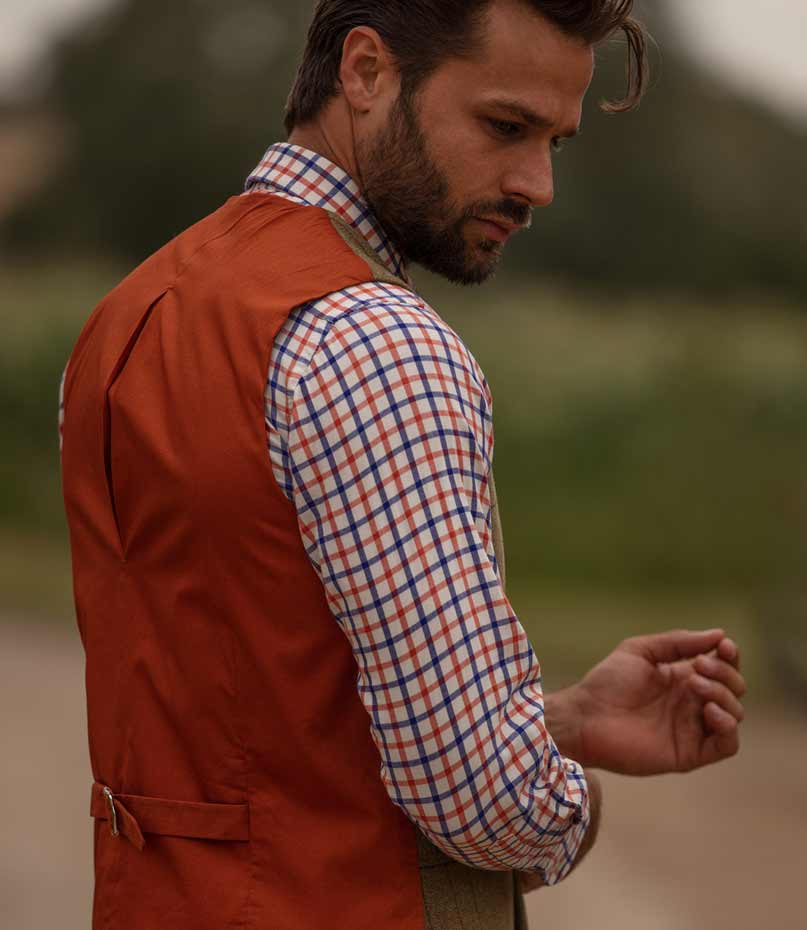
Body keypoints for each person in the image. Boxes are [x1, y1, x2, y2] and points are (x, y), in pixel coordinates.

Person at [59, 2, 747, 929]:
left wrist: (560, 719)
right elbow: (486, 801)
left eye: (556, 142)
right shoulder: (379, 342)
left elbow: (257, 709)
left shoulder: (125, 318)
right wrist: (565, 796)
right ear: (367, 71)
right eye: (505, 126)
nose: (537, 183)